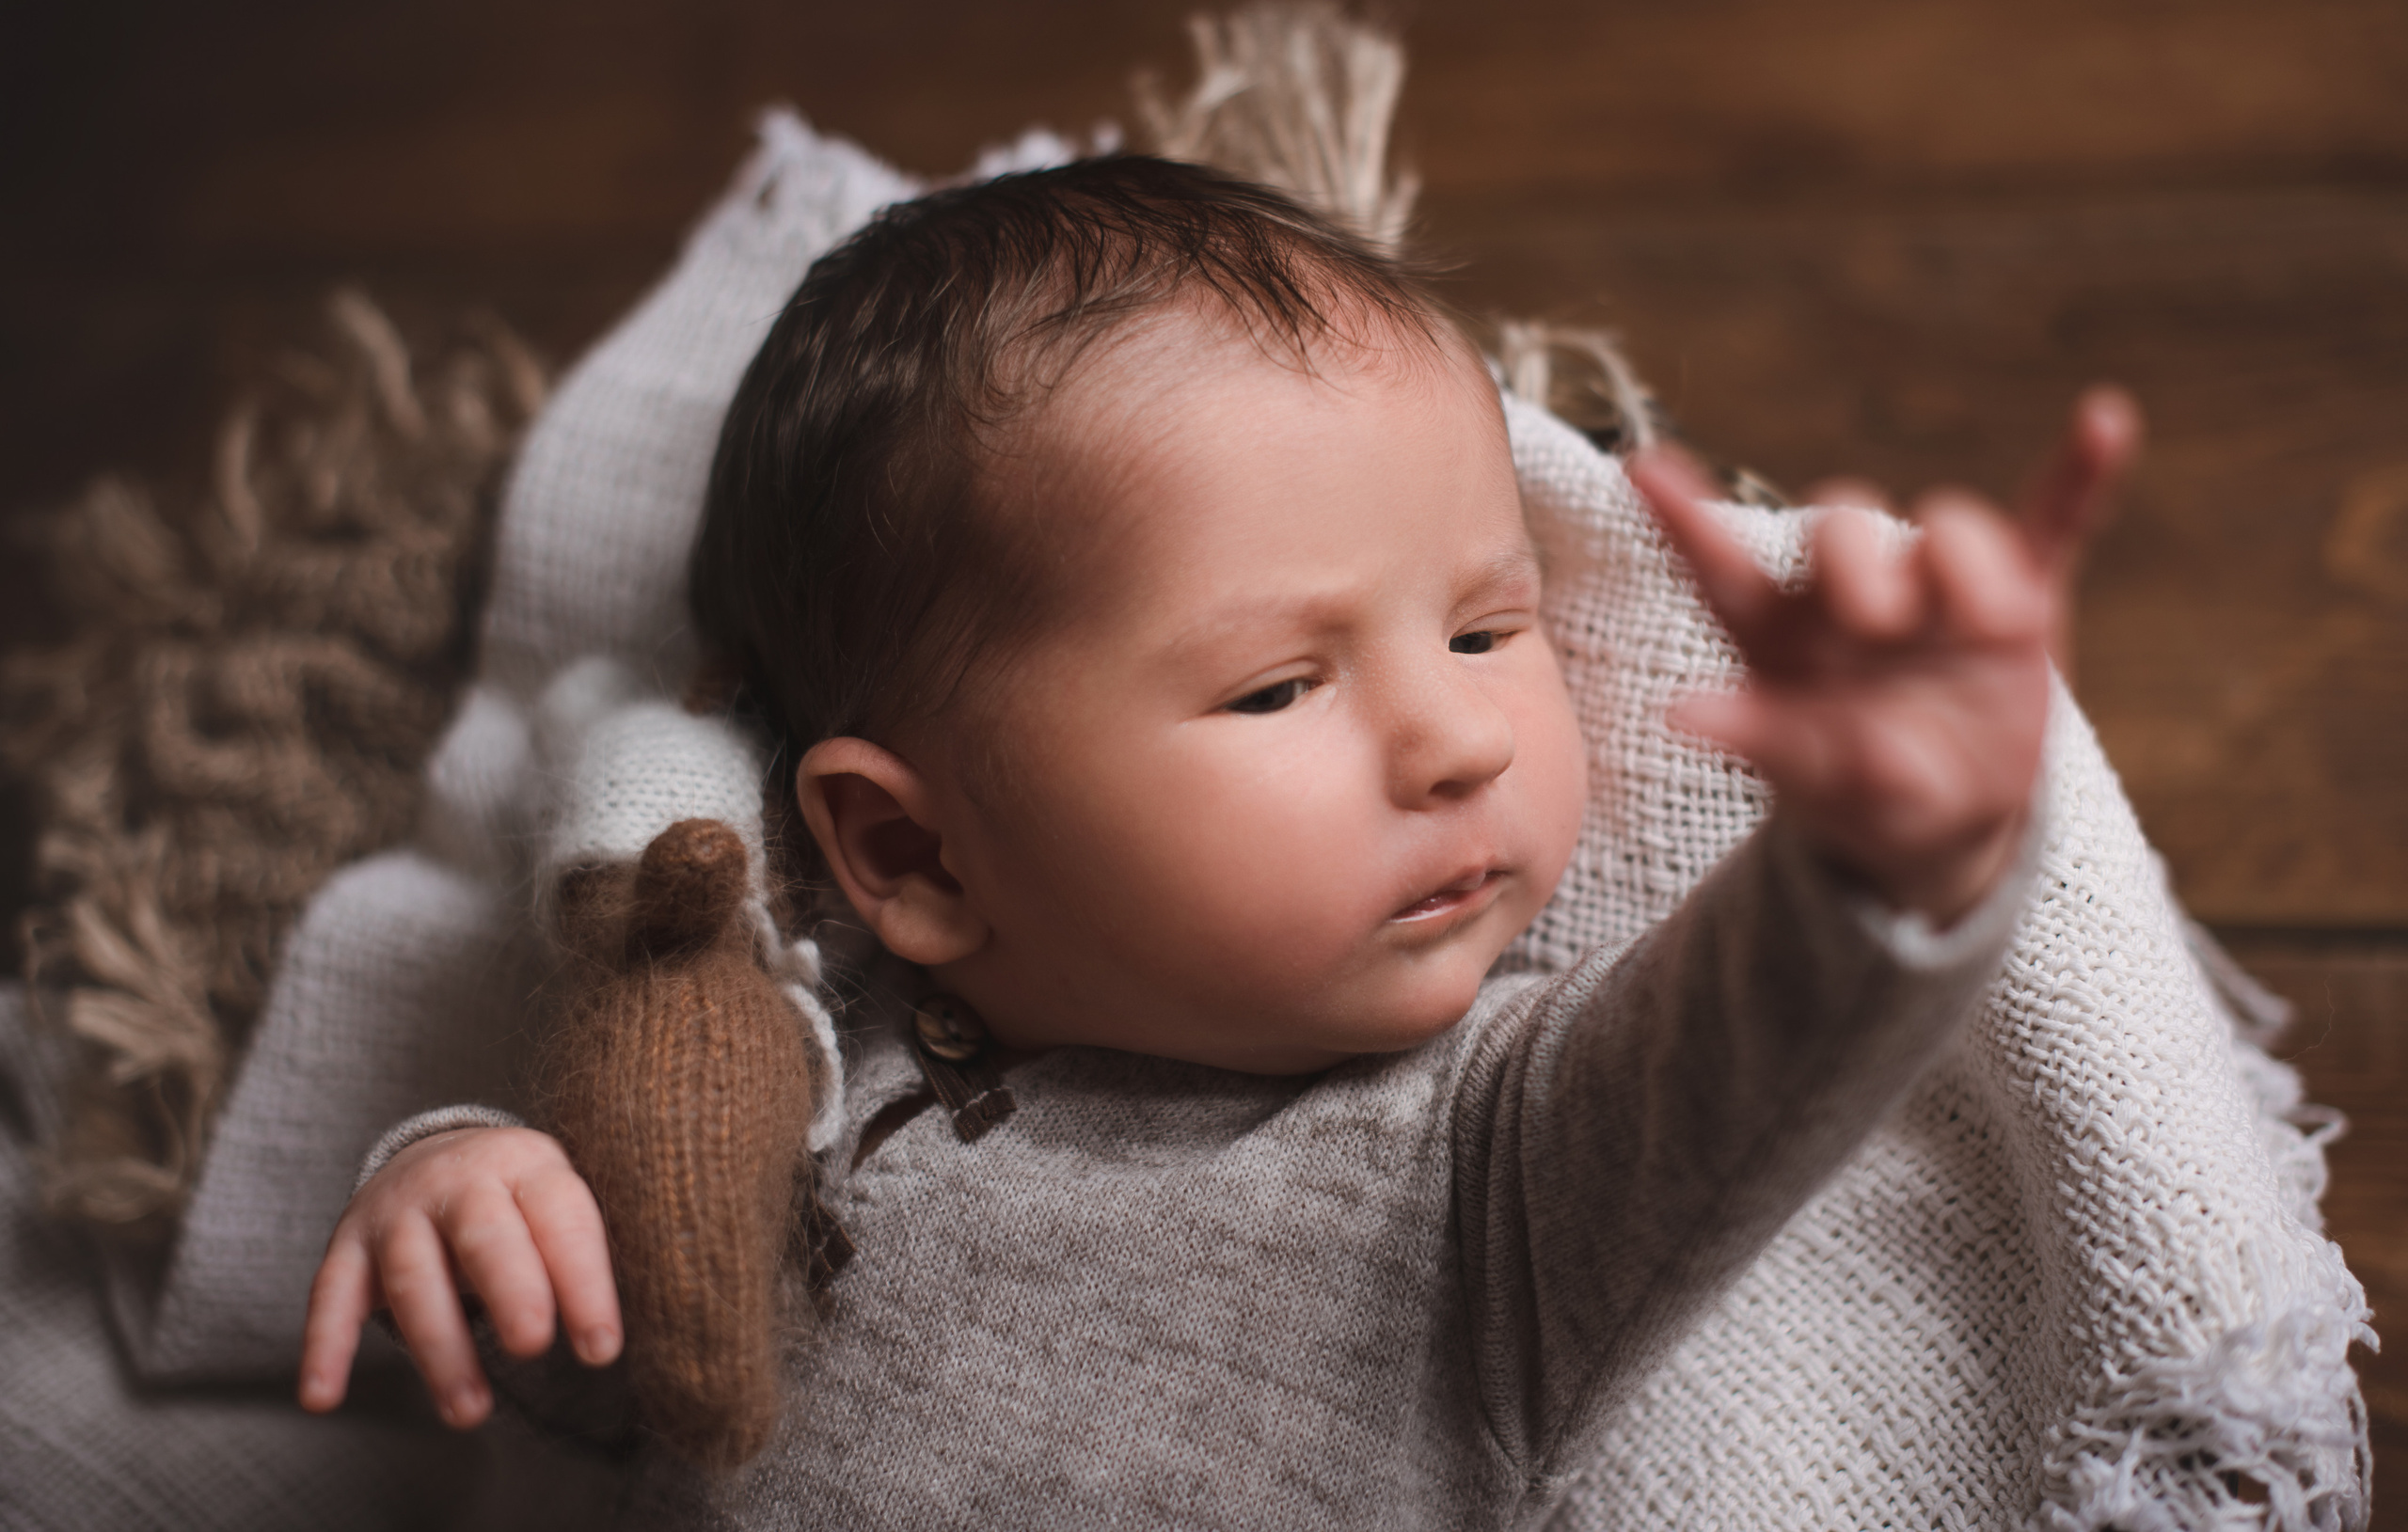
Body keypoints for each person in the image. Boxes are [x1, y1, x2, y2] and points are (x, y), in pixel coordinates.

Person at [295, 155, 2136, 1525]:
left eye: (1488, 628)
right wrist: (466, 1182)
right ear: (911, 855)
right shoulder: (785, 1084)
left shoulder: (1487, 1160)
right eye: (1273, 688)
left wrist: (1880, 851)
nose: (1453, 733)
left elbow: (1743, 1049)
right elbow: (610, 1375)